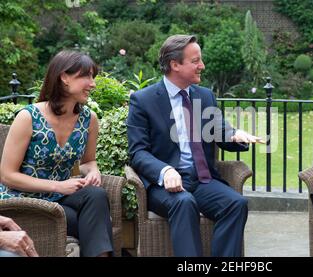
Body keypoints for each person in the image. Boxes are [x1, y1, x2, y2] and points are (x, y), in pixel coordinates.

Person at [127, 35, 262, 257]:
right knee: (184, 203)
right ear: (175, 65)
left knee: (236, 204)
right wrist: (165, 170)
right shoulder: (144, 100)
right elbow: (138, 152)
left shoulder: (205, 96)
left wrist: (235, 134)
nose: (202, 66)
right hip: (164, 185)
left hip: (202, 180)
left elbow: (220, 128)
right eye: (195, 60)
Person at [0, 50, 114, 257]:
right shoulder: (28, 117)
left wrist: (93, 172)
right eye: (86, 76)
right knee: (88, 221)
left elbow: (89, 161)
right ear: (64, 77)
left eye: (93, 77)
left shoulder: (89, 119)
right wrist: (58, 185)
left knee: (96, 195)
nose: (93, 83)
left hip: (60, 198)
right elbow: (7, 175)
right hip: (23, 200)